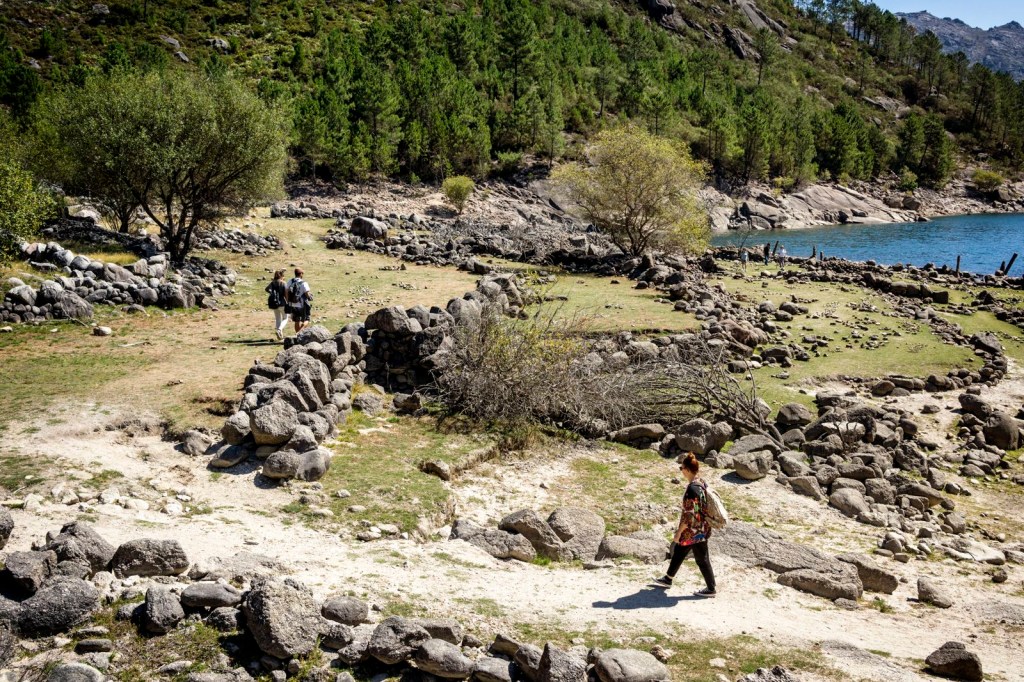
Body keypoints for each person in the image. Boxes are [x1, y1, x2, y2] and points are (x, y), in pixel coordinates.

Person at [651, 453, 717, 597]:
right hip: (702, 528)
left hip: (692, 531)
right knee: (682, 551)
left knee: (701, 558)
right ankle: (668, 578)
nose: (681, 470)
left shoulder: (691, 490)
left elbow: (689, 514)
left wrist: (679, 532)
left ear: (686, 469)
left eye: (681, 468)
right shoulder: (702, 483)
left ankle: (711, 588)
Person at [286, 268, 313, 333]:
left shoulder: (290, 281)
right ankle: (299, 333)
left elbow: (286, 291)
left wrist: (288, 301)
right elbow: (307, 294)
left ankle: (297, 336)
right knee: (307, 320)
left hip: (292, 304)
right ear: (300, 274)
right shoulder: (304, 283)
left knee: (297, 321)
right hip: (302, 305)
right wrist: (310, 297)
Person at [265, 269, 289, 340]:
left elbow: (266, 289)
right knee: (285, 318)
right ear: (281, 276)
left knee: (278, 319)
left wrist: (272, 293)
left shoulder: (272, 283)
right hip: (282, 303)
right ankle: (279, 330)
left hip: (274, 303)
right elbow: (286, 294)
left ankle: (280, 335)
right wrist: (287, 302)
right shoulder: (283, 283)